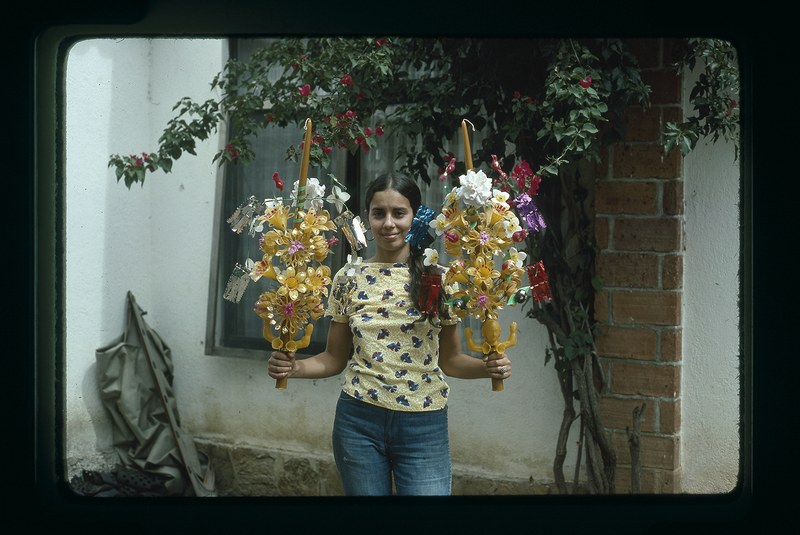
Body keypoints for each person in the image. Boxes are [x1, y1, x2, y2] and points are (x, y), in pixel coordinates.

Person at [267, 172, 512, 496]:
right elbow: (333, 358)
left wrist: (487, 368)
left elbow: (451, 361)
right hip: (358, 421)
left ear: (416, 216)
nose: (389, 223)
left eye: (399, 213)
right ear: (367, 217)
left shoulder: (441, 279)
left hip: (423, 423)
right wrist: (294, 368)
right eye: (378, 213)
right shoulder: (348, 277)